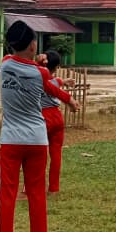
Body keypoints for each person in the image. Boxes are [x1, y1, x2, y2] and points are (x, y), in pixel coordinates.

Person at [0, 21, 78, 232]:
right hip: (37, 138)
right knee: (36, 192)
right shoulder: (40, 73)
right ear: (33, 45)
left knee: (7, 194)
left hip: (12, 140)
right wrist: (70, 100)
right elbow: (53, 89)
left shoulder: (5, 65)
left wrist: (36, 59)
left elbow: (19, 60)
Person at [41, 49, 76, 196]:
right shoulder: (55, 81)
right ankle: (54, 188)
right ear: (57, 67)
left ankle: (35, 186)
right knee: (56, 155)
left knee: (39, 155)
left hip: (42, 117)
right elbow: (56, 81)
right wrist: (65, 81)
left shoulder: (37, 80)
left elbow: (51, 81)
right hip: (57, 116)